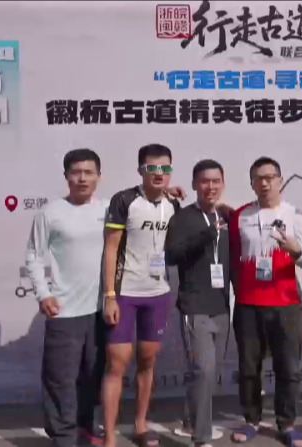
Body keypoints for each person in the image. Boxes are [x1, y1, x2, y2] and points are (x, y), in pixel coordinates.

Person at [101, 144, 182, 447]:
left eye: (165, 168)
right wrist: (110, 295)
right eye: (152, 168)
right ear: (140, 171)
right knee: (117, 363)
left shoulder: (174, 204)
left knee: (147, 361)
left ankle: (140, 426)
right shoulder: (124, 200)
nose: (159, 174)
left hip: (158, 294)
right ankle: (110, 436)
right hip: (124, 294)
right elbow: (111, 249)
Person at [25, 148, 106, 447]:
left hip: (101, 310)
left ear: (99, 176)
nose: (82, 178)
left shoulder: (109, 210)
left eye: (89, 172)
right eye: (76, 172)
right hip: (65, 311)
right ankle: (63, 436)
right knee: (60, 380)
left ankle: (88, 426)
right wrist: (43, 293)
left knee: (95, 375)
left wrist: (170, 195)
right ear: (66, 176)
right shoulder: (50, 213)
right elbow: (33, 256)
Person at [228, 157, 302, 447]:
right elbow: (233, 260)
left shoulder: (295, 215)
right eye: (258, 178)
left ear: (280, 180)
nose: (265, 183)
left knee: (288, 368)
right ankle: (251, 419)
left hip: (285, 303)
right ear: (252, 183)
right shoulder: (240, 216)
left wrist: (295, 249)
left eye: (270, 177)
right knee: (249, 368)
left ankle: (286, 423)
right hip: (248, 304)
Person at [165, 159, 231, 447]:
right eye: (204, 181)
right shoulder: (183, 218)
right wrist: (206, 235)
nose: (210, 186)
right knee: (203, 371)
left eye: (216, 181)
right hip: (194, 306)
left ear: (223, 184)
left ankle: (190, 420)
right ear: (194, 184)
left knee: (209, 373)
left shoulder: (226, 216)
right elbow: (172, 255)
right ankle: (201, 438)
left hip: (222, 307)